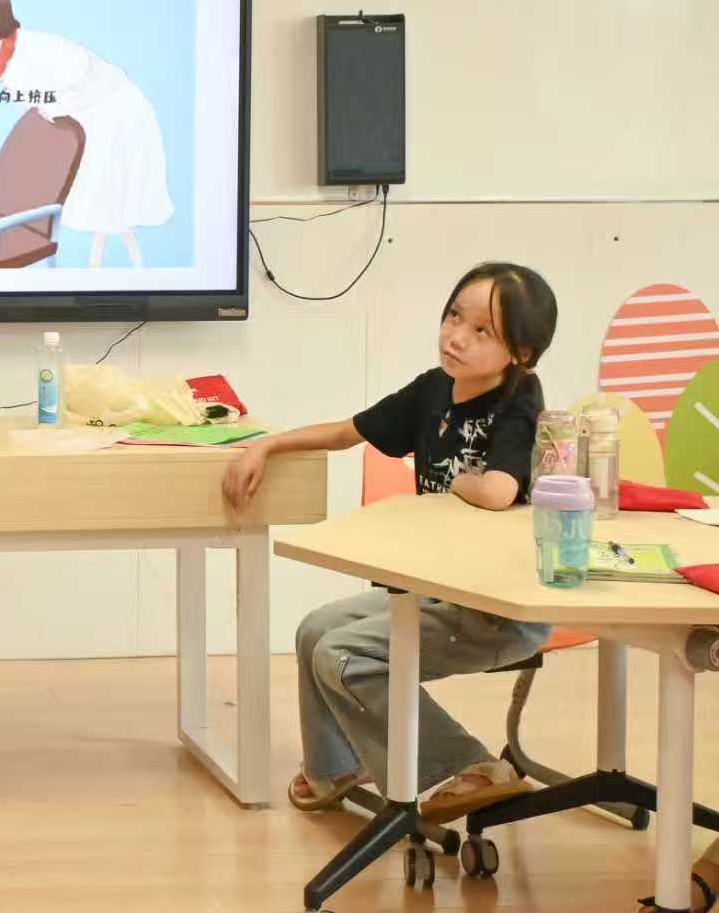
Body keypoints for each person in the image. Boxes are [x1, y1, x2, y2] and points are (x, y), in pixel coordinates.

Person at [223, 262, 559, 824]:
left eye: (482, 331)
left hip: (498, 608)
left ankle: (474, 766)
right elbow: (346, 431)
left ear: (520, 354)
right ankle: (335, 768)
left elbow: (499, 490)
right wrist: (267, 446)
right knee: (314, 631)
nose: (456, 336)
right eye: (454, 316)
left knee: (342, 655)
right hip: (438, 590)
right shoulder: (433, 391)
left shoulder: (519, 401)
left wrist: (459, 482)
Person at [0, 0, 172, 267]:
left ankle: (125, 277)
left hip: (111, 116)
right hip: (80, 119)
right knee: (101, 213)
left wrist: (57, 107)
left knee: (110, 210)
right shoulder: (2, 59)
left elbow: (85, 76)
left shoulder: (36, 51)